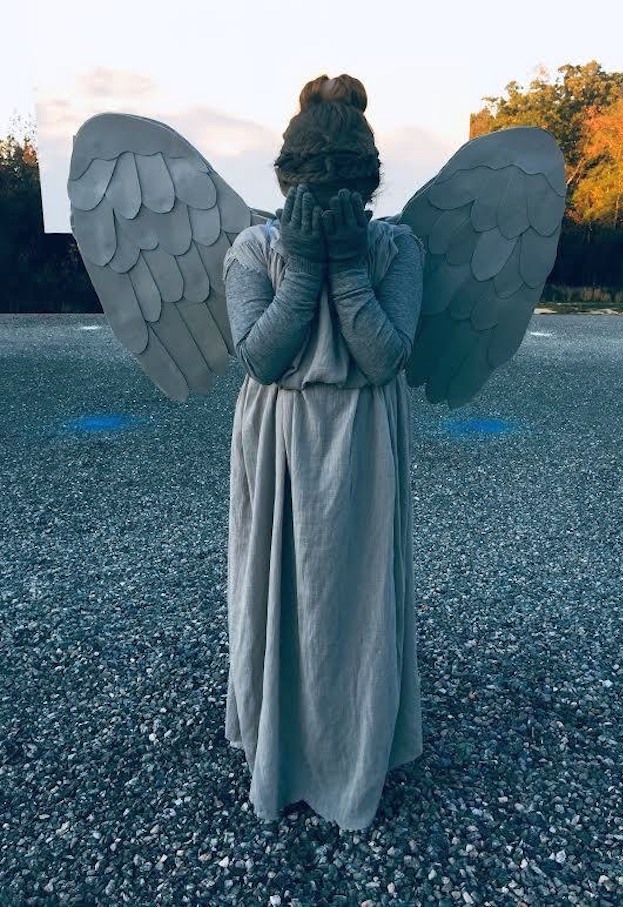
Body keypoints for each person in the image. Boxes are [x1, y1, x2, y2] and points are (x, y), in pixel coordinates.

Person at [222, 74, 426, 831]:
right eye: (319, 181)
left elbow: (383, 357)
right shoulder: (255, 249)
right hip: (281, 437)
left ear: (366, 188)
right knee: (283, 590)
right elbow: (261, 357)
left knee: (357, 595)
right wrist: (305, 269)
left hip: (362, 439)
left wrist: (345, 270)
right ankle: (285, 740)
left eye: (344, 182)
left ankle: (355, 745)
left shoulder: (396, 249)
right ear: (289, 183)